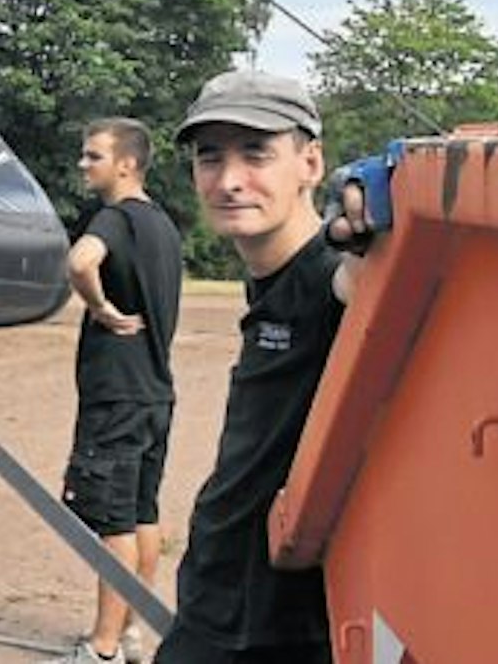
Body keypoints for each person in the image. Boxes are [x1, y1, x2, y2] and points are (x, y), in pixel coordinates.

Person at [154, 69, 368, 664]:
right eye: (209, 156)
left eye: (256, 153)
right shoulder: (270, 285)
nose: (228, 180)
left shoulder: (333, 271)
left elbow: (362, 281)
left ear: (310, 163)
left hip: (270, 629)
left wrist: (382, 215)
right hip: (219, 602)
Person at [50, 118, 184, 664]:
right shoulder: (164, 227)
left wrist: (100, 308)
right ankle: (130, 634)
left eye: (93, 156)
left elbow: (79, 262)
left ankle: (102, 649)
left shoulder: (115, 218)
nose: (84, 166)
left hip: (117, 395)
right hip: (154, 393)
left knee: (112, 522)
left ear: (126, 163)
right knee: (142, 514)